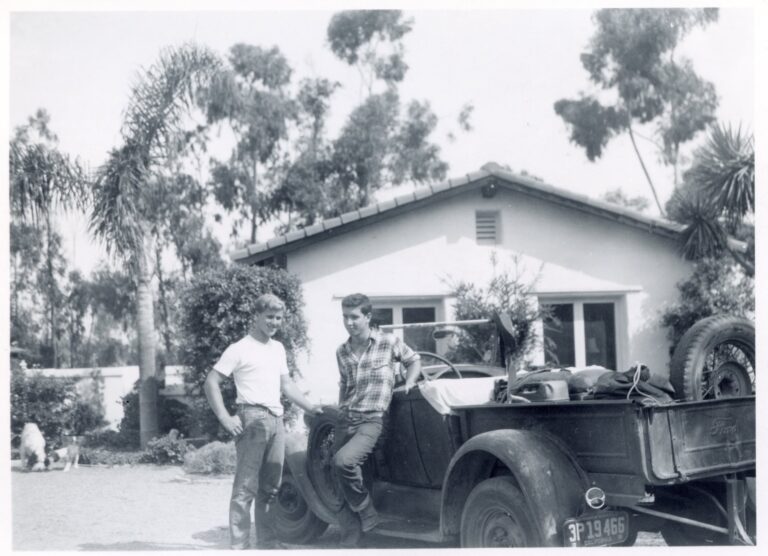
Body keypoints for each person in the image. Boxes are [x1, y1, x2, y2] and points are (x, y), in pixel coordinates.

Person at [204, 293, 321, 550]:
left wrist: (312, 407)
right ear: (255, 317)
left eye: (278, 317)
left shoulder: (277, 348)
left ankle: (267, 544)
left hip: (277, 420)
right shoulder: (239, 348)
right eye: (269, 316)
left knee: (271, 487)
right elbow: (211, 382)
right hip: (252, 419)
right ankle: (240, 547)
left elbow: (286, 385)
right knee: (246, 488)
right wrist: (225, 417)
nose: (274, 322)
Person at [332, 293, 422, 547]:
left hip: (372, 420)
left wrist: (410, 381)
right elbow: (345, 385)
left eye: (354, 317)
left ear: (368, 317)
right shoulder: (341, 351)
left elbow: (413, 360)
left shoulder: (388, 342)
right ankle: (350, 542)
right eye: (345, 317)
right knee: (339, 481)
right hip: (346, 418)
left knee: (344, 462)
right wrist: (340, 408)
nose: (349, 322)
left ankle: (368, 511)